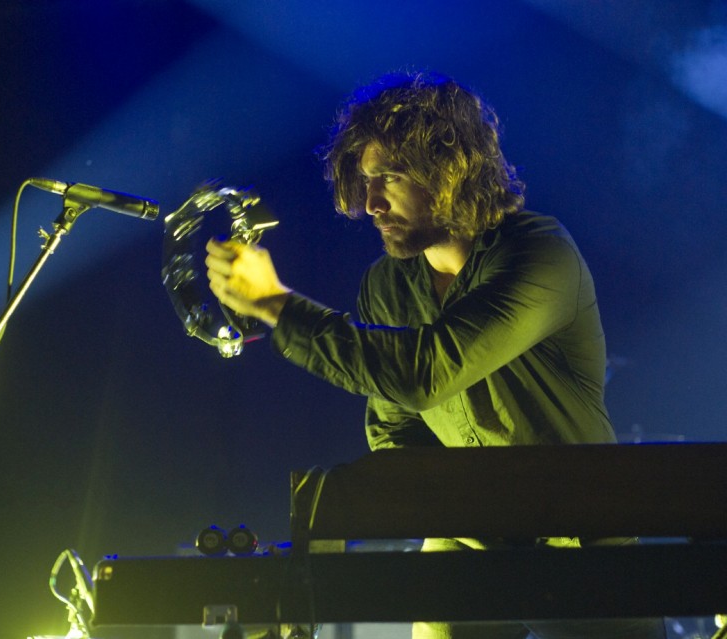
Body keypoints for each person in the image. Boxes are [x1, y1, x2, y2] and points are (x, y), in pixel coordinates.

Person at [204, 71, 665, 639]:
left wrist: (277, 304)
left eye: (391, 177)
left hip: (581, 533)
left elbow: (425, 372)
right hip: (467, 535)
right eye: (366, 180)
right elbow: (395, 429)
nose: (371, 203)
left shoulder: (540, 252)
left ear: (451, 170)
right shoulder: (386, 283)